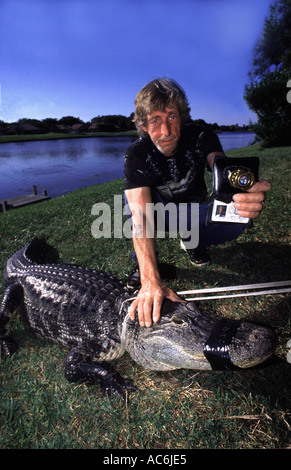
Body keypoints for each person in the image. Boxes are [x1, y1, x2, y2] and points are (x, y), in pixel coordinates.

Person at [123, 78, 271, 328]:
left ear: (182, 116)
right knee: (128, 209)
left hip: (197, 209)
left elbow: (221, 168)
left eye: (171, 116)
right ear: (144, 125)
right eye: (155, 120)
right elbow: (140, 216)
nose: (166, 131)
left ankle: (194, 241)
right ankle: (146, 264)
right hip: (160, 212)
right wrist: (150, 279)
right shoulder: (136, 153)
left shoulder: (202, 135)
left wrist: (242, 189)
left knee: (240, 217)